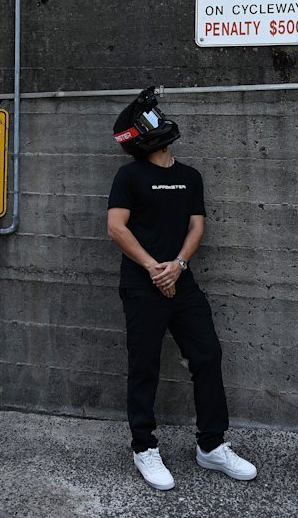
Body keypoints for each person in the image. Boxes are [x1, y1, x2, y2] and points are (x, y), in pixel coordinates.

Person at [107, 87, 257, 490]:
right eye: (150, 120)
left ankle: (211, 446)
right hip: (142, 286)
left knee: (207, 354)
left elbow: (197, 226)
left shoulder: (190, 176)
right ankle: (144, 447)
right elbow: (116, 228)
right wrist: (154, 269)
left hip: (182, 281)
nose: (159, 122)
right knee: (145, 366)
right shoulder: (129, 176)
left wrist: (177, 266)